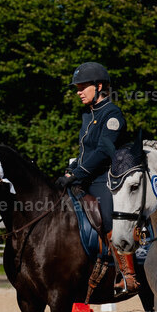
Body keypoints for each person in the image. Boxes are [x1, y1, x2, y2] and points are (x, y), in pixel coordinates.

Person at [56, 61, 140, 296]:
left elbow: (103, 151)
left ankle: (128, 275)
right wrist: (71, 169)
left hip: (104, 178)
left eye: (83, 87)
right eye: (77, 88)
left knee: (107, 217)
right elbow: (85, 150)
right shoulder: (87, 114)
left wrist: (77, 173)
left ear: (99, 86)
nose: (78, 92)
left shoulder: (112, 114)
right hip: (84, 176)